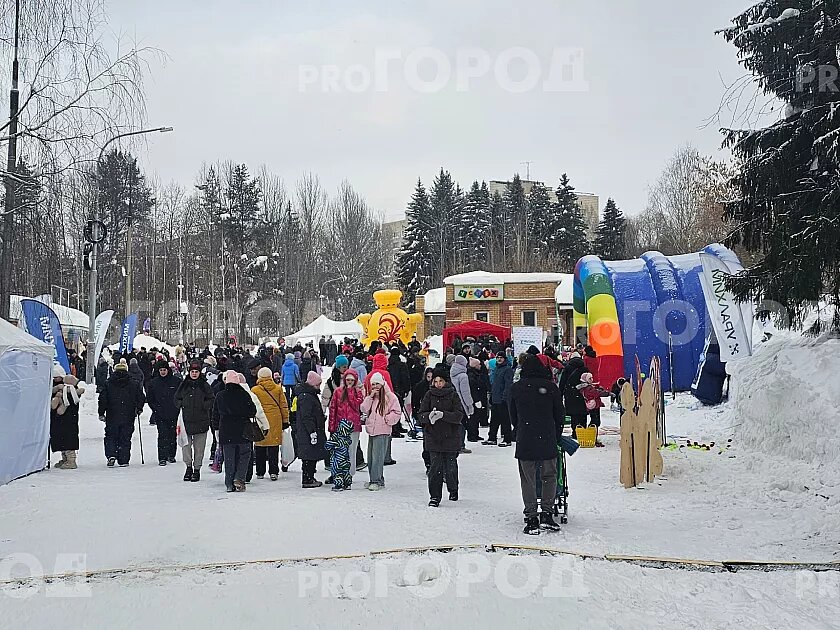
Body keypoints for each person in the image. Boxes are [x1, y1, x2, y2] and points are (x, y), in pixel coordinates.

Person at [509, 354, 565, 535]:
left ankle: (531, 516)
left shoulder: (517, 388)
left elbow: (513, 415)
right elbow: (559, 414)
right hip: (547, 436)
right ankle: (547, 513)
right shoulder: (550, 387)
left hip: (525, 437)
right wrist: (555, 434)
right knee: (549, 475)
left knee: (528, 478)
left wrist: (519, 429)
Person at [417, 367, 464, 507]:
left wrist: (444, 415)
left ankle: (453, 489)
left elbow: (459, 415)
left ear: (446, 381)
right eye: (435, 381)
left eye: (441, 381)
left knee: (450, 467)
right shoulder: (429, 395)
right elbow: (421, 414)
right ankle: (435, 496)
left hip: (451, 435)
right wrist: (428, 417)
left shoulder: (453, 395)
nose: (438, 384)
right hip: (433, 436)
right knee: (435, 468)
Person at [213, 371, 257, 492]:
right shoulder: (244, 394)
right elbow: (252, 411)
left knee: (229, 458)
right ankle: (239, 478)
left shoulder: (220, 395)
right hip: (243, 430)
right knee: (245, 455)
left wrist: (216, 429)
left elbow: (215, 414)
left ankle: (229, 483)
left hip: (226, 430)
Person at [174, 360, 215, 482]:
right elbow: (176, 398)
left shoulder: (204, 385)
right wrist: (182, 404)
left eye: (196, 372)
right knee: (186, 446)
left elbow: (211, 399)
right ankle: (188, 467)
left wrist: (204, 405)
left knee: (199, 448)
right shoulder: (184, 384)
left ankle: (197, 469)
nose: (194, 374)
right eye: (192, 372)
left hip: (201, 420)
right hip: (186, 421)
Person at [98, 358, 145, 467]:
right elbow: (141, 397)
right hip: (128, 414)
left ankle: (111, 454)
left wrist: (101, 412)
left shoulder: (109, 383)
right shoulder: (133, 383)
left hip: (112, 413)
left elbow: (103, 399)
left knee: (111, 435)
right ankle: (124, 459)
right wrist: (139, 408)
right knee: (125, 436)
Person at [360, 372, 401, 491]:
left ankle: (376, 480)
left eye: (377, 384)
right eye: (373, 384)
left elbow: (397, 412)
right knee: (371, 457)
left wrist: (387, 419)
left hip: (382, 430)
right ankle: (376, 479)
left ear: (382, 384)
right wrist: (370, 396)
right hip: (372, 430)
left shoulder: (390, 397)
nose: (375, 386)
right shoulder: (372, 397)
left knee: (377, 457)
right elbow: (363, 408)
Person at [251, 366, 290, 480]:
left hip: (261, 420)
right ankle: (273, 471)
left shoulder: (255, 390)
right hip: (275, 419)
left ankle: (260, 471)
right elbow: (283, 405)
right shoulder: (277, 389)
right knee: (273, 447)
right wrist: (285, 420)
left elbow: (252, 407)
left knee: (260, 446)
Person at [328, 368, 364, 483]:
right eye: (348, 380)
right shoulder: (337, 392)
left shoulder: (358, 392)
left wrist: (350, 392)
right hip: (340, 426)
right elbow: (333, 409)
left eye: (351, 380)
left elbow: (356, 406)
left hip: (353, 426)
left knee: (351, 451)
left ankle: (349, 474)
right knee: (340, 451)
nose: (349, 382)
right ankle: (339, 473)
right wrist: (331, 426)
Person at [146, 360, 183, 466]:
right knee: (162, 434)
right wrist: (155, 409)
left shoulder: (176, 381)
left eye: (164, 370)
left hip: (173, 412)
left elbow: (180, 395)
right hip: (159, 413)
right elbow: (150, 398)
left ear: (168, 370)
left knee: (172, 434)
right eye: (161, 370)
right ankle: (162, 457)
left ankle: (171, 455)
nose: (163, 372)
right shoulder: (154, 382)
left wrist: (177, 407)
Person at [295, 371, 328, 488]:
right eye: (318, 384)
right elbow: (306, 416)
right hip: (308, 432)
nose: (319, 387)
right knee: (309, 455)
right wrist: (312, 431)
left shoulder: (308, 395)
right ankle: (307, 479)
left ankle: (309, 477)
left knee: (311, 455)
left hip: (309, 430)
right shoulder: (306, 397)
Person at [50, 365, 85, 469]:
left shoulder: (69, 389)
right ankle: (65, 458)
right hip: (62, 419)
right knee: (61, 437)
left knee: (68, 437)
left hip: (68, 419)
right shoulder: (61, 388)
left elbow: (71, 401)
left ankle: (71, 459)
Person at [485, 353, 514, 446]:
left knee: (505, 420)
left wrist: (505, 397)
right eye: (498, 358)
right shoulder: (496, 368)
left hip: (502, 399)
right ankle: (492, 437)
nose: (499, 359)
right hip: (495, 398)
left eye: (501, 358)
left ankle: (507, 439)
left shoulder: (507, 369)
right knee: (494, 420)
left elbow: (508, 384)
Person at [559, 352, 588, 439]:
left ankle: (575, 432)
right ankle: (582, 431)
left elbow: (563, 381)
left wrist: (560, 393)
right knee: (582, 413)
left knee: (574, 413)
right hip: (582, 393)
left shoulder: (567, 367)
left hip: (570, 393)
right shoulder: (584, 368)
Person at [449, 355, 475, 454]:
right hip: (461, 404)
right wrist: (470, 405)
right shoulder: (463, 376)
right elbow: (465, 392)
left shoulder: (452, 373)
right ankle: (461, 445)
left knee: (456, 425)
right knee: (463, 425)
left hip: (452, 402)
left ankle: (454, 445)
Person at [578, 372, 606, 447]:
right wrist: (607, 393)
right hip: (594, 406)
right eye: (590, 378)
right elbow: (596, 393)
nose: (592, 379)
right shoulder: (588, 388)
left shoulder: (586, 387)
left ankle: (593, 437)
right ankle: (592, 437)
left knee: (595, 421)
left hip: (593, 406)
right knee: (595, 421)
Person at [324, 419, 354, 491]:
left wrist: (329, 447)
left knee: (337, 472)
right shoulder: (347, 438)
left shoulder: (336, 437)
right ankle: (347, 483)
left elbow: (328, 445)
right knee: (346, 471)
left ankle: (338, 485)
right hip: (346, 458)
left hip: (337, 459)